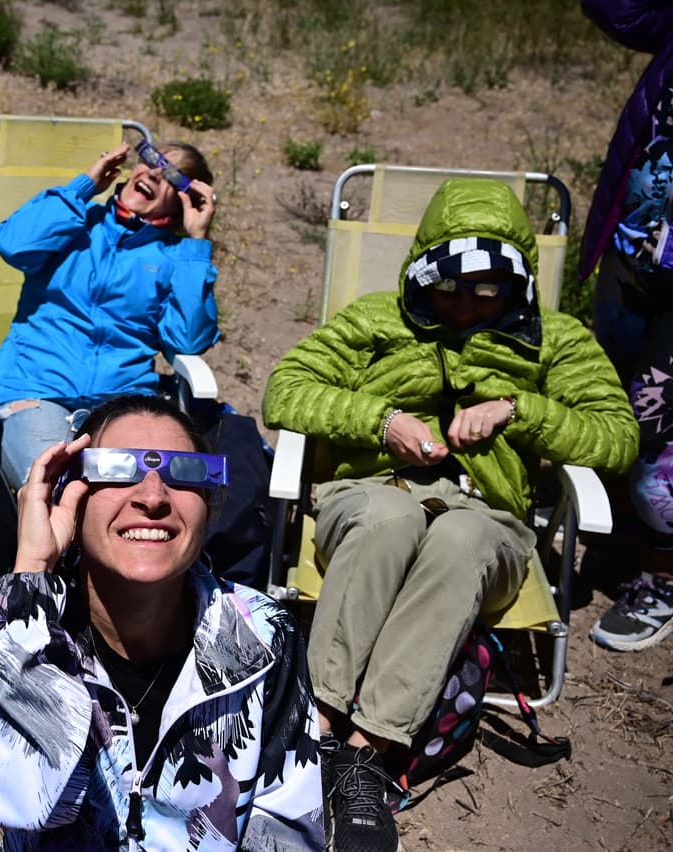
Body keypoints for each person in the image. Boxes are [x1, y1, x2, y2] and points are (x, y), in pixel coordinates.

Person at [263, 177, 638, 852]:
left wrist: (521, 410)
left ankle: (364, 755)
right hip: (376, 487)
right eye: (449, 286)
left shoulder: (554, 339)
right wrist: (382, 420)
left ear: (516, 282)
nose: (465, 304)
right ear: (422, 271)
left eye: (488, 290)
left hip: (487, 512)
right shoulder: (378, 318)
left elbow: (616, 436)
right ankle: (311, 730)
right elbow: (287, 389)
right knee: (391, 521)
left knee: (460, 539)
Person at [0, 394, 325, 851]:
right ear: (70, 496)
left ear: (210, 505)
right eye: (117, 469)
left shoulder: (264, 633)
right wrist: (33, 570)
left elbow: (286, 830)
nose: (152, 497)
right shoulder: (6, 614)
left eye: (183, 472)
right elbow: (24, 803)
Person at [0, 140, 220, 488]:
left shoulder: (175, 258)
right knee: (55, 486)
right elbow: (13, 244)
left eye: (172, 176)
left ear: (184, 200)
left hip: (121, 401)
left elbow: (187, 340)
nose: (154, 174)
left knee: (134, 494)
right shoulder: (76, 223)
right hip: (36, 389)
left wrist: (197, 241)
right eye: (152, 160)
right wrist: (83, 187)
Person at [578, 0, 673, 652]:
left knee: (656, 435)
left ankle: (662, 574)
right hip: (634, 251)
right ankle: (617, 543)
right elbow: (623, 12)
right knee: (606, 399)